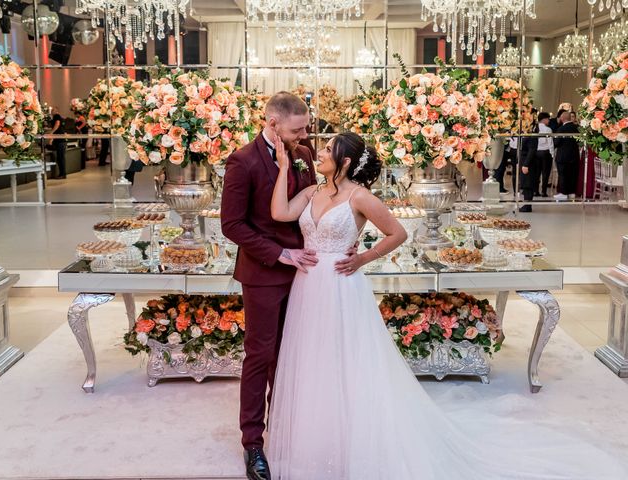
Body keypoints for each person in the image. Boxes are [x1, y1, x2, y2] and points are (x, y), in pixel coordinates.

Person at [266, 131, 627, 480]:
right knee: (312, 358)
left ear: (344, 161)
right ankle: (318, 432)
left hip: (343, 284)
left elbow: (398, 233)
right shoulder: (312, 191)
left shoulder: (359, 197)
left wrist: (363, 258)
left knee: (349, 359)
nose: (320, 154)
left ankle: (354, 433)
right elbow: (280, 213)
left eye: (328, 149)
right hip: (309, 285)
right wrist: (283, 167)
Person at [220, 91, 318, 480]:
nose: (305, 134)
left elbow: (310, 204)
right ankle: (253, 443)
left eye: (306, 126)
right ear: (272, 123)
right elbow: (232, 225)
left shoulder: (306, 153)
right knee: (260, 356)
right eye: (298, 128)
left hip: (305, 270)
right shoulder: (242, 161)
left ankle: (286, 424)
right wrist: (281, 254)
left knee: (292, 353)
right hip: (263, 273)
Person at [554, 109, 580, 200]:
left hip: (563, 156)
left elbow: (556, 142)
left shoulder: (561, 129)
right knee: (572, 174)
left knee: (563, 174)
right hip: (574, 156)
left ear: (562, 118)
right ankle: (571, 192)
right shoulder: (576, 128)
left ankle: (563, 193)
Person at [536, 111, 555, 197]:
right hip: (546, 152)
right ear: (544, 119)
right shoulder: (548, 129)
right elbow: (550, 143)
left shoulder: (535, 128)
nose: (549, 121)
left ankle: (535, 190)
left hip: (536, 152)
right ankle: (543, 191)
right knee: (545, 173)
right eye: (548, 119)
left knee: (537, 173)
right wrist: (552, 154)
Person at [49, 109, 67, 179]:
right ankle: (62, 174)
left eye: (53, 111)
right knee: (60, 158)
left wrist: (51, 132)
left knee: (60, 158)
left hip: (60, 140)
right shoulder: (56, 117)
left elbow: (57, 124)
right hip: (59, 140)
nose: (51, 112)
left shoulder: (57, 116)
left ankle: (62, 174)